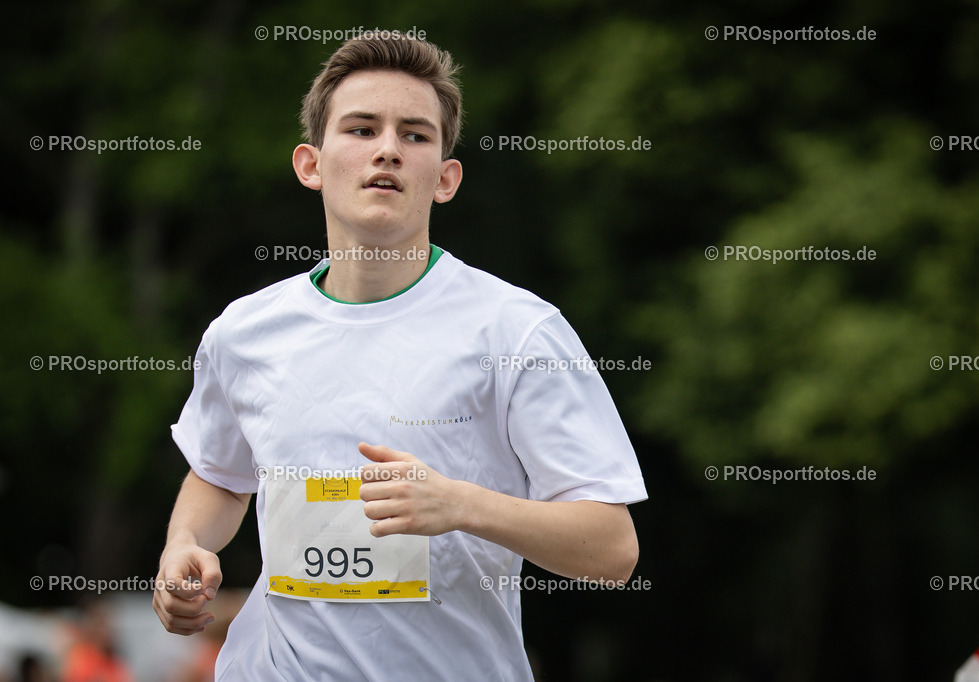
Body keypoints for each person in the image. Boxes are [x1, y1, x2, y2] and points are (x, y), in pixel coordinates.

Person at [152, 33, 646, 680]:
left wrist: (461, 506)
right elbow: (219, 474)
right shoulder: (245, 332)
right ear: (311, 164)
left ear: (445, 179)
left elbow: (612, 550)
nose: (388, 148)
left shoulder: (516, 331)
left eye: (414, 135)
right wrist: (183, 546)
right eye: (361, 128)